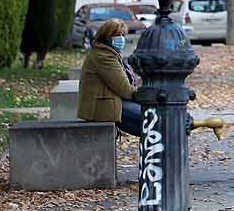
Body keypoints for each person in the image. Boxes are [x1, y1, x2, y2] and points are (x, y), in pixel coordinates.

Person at [79, 18, 225, 140]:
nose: (122, 39)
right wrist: (151, 95)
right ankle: (202, 124)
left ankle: (201, 123)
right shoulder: (104, 57)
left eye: (123, 35)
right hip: (105, 107)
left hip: (113, 102)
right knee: (156, 120)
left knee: (159, 119)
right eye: (118, 36)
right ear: (106, 37)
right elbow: (125, 90)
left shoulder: (108, 53)